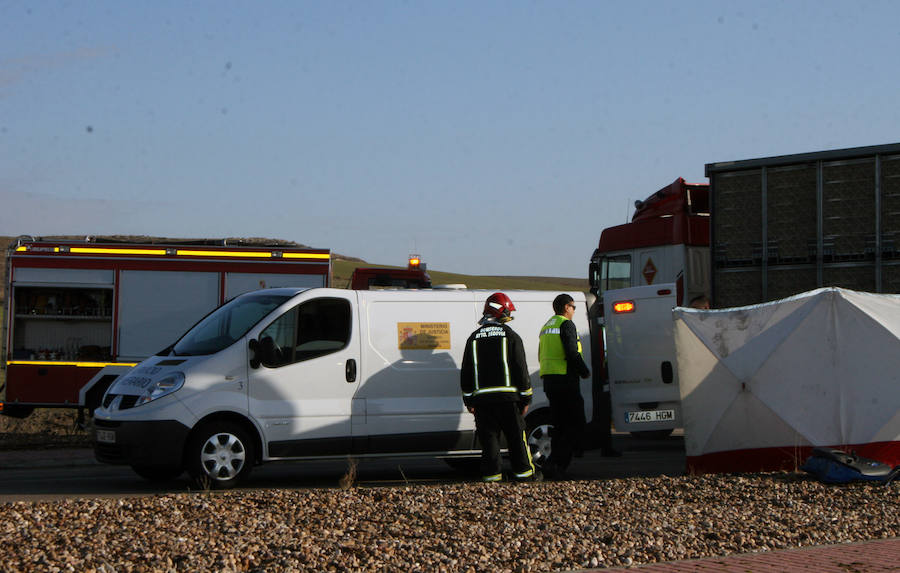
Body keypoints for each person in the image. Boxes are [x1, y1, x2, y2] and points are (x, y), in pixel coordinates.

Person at [460, 292, 539, 483]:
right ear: (500, 311)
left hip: (482, 403)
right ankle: (524, 476)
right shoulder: (511, 336)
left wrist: (469, 400)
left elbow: (467, 371)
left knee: (489, 443)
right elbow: (521, 369)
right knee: (516, 440)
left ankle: (492, 479)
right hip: (509, 401)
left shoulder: (473, 338)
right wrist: (526, 398)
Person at [538, 293, 591, 479]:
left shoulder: (547, 326)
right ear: (566, 307)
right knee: (574, 425)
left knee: (560, 426)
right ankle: (556, 463)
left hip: (550, 381)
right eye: (573, 307)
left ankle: (555, 465)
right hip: (565, 380)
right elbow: (571, 352)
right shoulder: (565, 324)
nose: (574, 310)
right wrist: (584, 371)